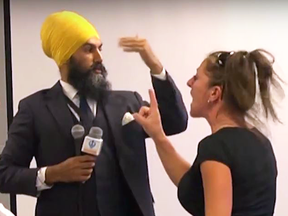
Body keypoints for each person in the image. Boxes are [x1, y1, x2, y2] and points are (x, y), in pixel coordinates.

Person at [0, 11, 188, 216]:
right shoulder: (34, 108)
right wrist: (52, 174)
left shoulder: (127, 102)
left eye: (100, 48)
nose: (99, 57)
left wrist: (156, 67)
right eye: (88, 49)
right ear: (65, 56)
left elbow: (176, 122)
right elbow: (4, 173)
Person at [133, 49, 283, 216]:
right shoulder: (260, 140)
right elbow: (195, 185)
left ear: (214, 93)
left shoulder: (216, 148)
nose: (189, 82)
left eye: (196, 78)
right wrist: (157, 134)